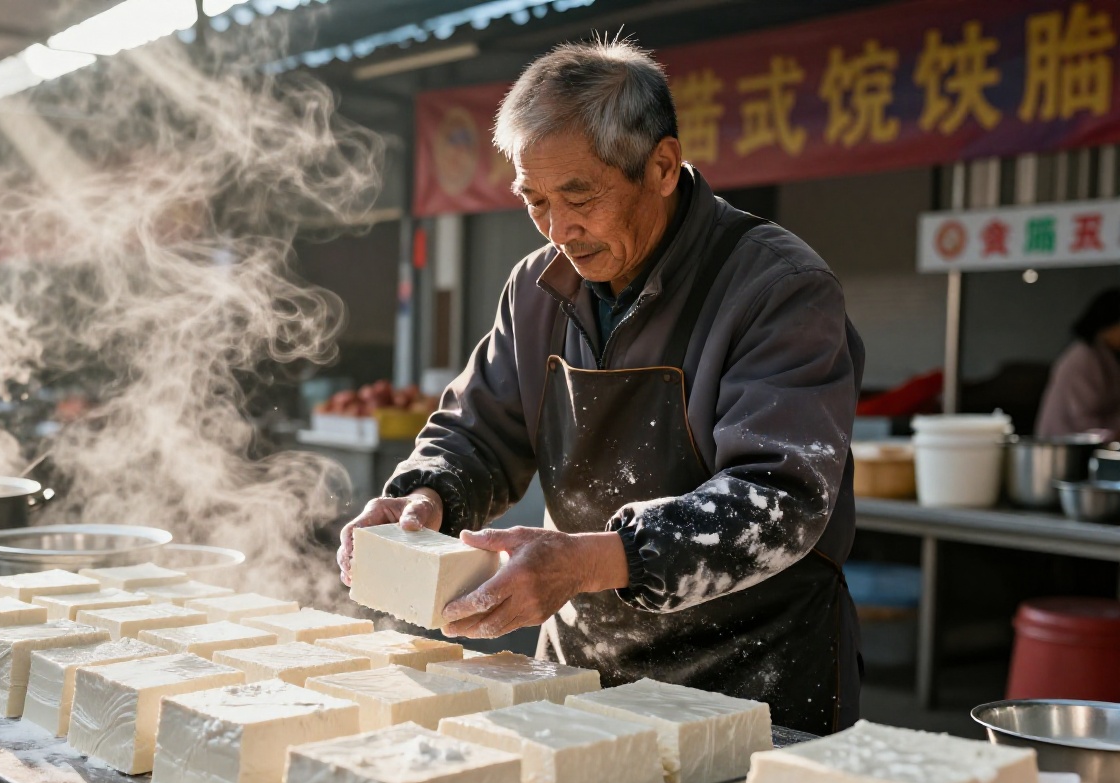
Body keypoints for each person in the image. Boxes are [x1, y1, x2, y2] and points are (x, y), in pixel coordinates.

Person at [336, 39, 865, 735]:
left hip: (754, 679)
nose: (559, 231)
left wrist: (585, 561)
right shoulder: (536, 288)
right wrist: (423, 494)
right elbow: (477, 431)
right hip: (585, 669)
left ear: (663, 166)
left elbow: (780, 500)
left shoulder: (777, 288)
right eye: (535, 202)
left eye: (579, 197)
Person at [1035, 288, 1120, 439]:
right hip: (1064, 446)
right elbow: (1082, 420)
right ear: (1110, 324)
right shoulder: (1083, 357)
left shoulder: (1108, 356)